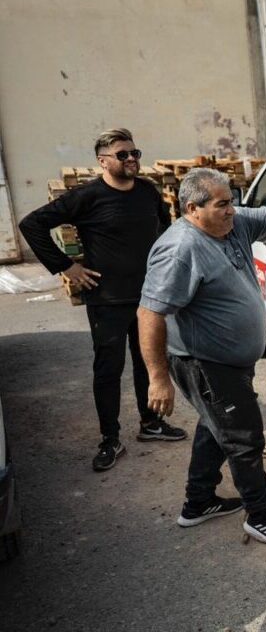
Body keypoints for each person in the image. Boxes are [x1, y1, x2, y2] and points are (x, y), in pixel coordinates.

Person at [136, 167, 266, 542]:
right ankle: (260, 515)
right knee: (244, 439)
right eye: (222, 204)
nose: (232, 210)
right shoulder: (180, 249)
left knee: (216, 426)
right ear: (193, 209)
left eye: (232, 202)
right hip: (205, 364)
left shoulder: (234, 223)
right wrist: (158, 377)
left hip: (231, 362)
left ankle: (198, 502)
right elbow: (150, 312)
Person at [18, 128, 187, 472]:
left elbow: (165, 228)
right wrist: (67, 266)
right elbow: (32, 224)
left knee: (147, 363)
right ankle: (110, 439)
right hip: (107, 300)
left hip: (148, 298)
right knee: (108, 371)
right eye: (122, 155)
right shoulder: (87, 196)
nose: (131, 160)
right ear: (103, 161)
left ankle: (151, 424)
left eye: (135, 153)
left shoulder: (147, 192)